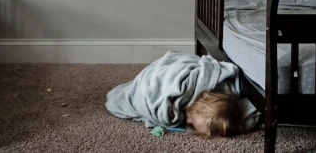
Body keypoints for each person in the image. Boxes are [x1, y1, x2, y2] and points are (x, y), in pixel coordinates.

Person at [105, 51, 258, 135]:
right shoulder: (193, 85)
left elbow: (251, 114)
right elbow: (157, 87)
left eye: (191, 124)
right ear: (205, 97)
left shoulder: (222, 110)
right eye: (192, 117)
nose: (187, 121)